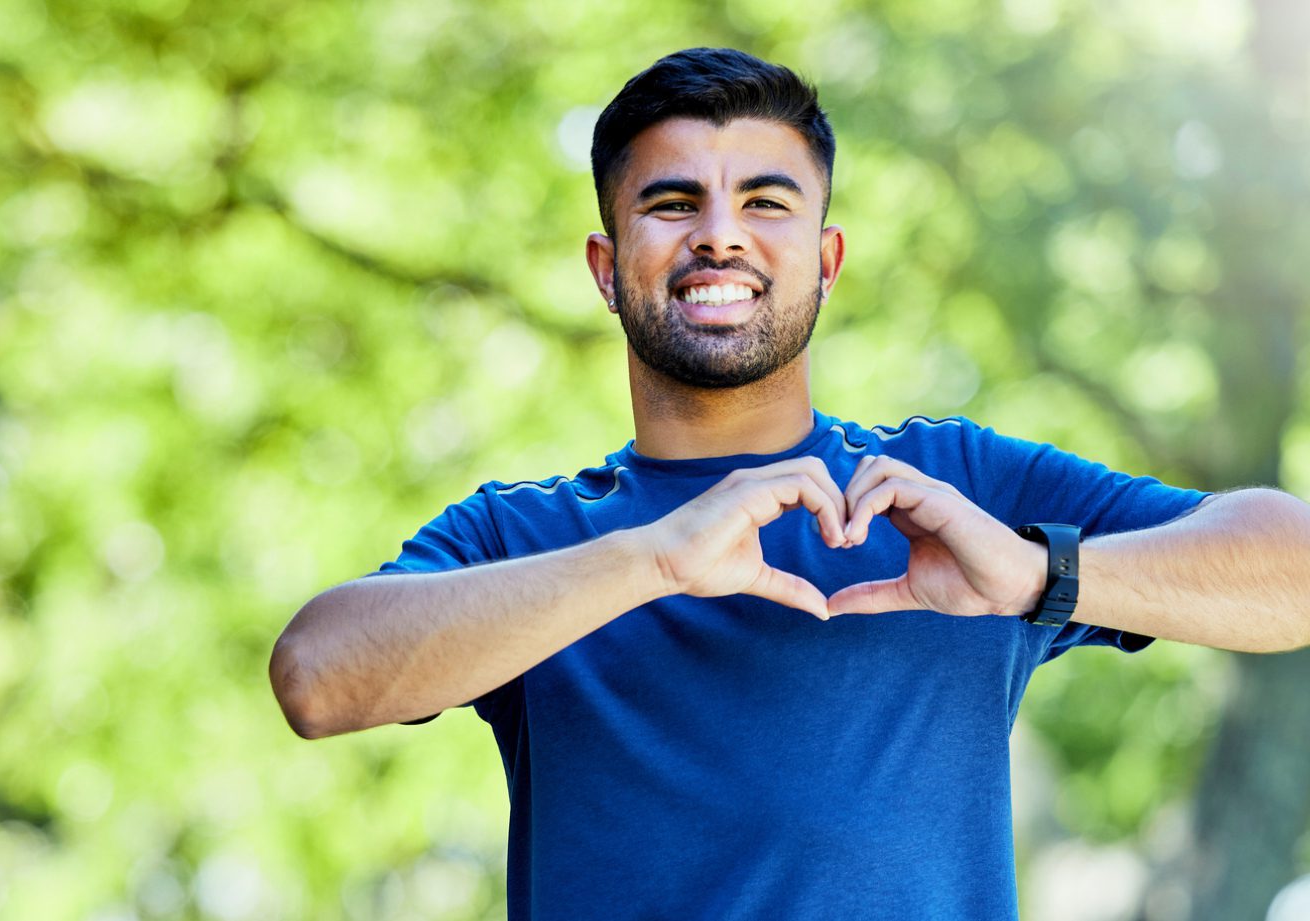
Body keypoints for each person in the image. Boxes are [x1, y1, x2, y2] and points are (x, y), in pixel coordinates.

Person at [267, 47, 1310, 920]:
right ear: (604, 264)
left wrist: (1042, 573)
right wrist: (653, 558)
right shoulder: (528, 537)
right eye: (672, 203)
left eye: (766, 202)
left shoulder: (958, 486)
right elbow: (318, 677)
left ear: (828, 257)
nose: (719, 233)